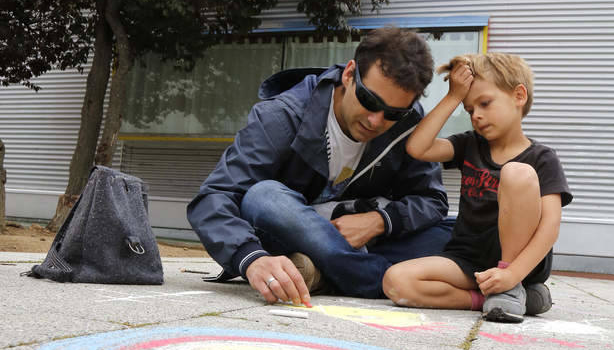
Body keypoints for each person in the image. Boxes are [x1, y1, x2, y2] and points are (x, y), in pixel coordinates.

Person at [187, 27, 454, 306]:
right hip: (286, 237)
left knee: (461, 232)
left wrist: (379, 222)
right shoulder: (281, 115)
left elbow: (431, 201)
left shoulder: (409, 124)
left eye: (392, 113)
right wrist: (251, 258)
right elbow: (213, 197)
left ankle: (325, 274)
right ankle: (375, 280)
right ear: (349, 74)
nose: (376, 120)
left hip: (365, 240)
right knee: (264, 196)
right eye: (369, 100)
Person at [382, 52, 572, 322]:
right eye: (470, 109)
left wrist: (512, 273)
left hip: (521, 265)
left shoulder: (542, 158)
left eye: (485, 103)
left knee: (516, 173)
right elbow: (417, 147)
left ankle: (511, 287)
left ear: (519, 96)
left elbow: (550, 226)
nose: (476, 116)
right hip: (468, 260)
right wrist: (453, 97)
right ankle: (494, 299)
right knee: (396, 281)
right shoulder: (469, 145)